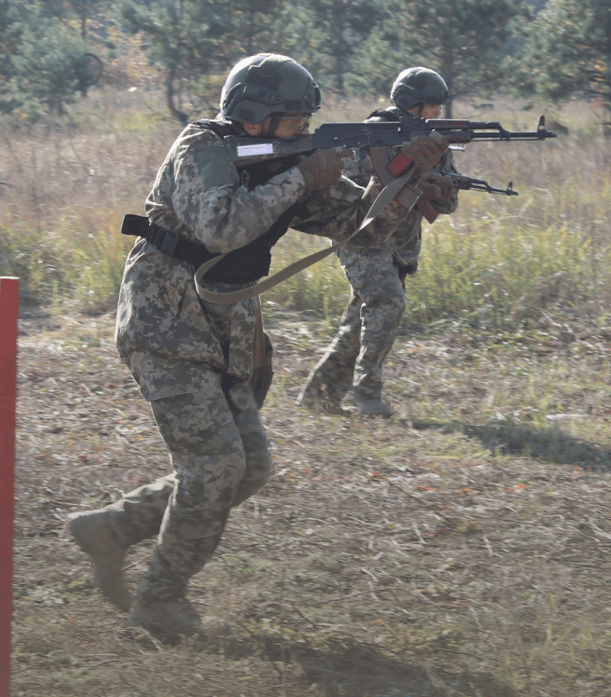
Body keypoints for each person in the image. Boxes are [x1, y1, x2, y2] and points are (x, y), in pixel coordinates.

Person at [66, 54, 448, 643]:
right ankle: (159, 604)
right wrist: (302, 175)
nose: (303, 133)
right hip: (164, 325)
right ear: (257, 117)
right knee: (216, 466)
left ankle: (113, 530)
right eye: (295, 122)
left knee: (248, 468)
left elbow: (361, 232)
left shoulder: (289, 160)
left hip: (226, 329)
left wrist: (399, 179)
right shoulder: (201, 149)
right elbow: (221, 225)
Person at [298, 67, 463, 418]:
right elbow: (362, 194)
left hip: (400, 245)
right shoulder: (370, 135)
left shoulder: (432, 141)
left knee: (360, 322)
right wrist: (408, 167)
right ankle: (368, 394)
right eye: (430, 106)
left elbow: (447, 204)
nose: (436, 113)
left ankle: (318, 394)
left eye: (438, 107)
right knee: (388, 304)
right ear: (411, 104)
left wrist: (439, 189)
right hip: (362, 239)